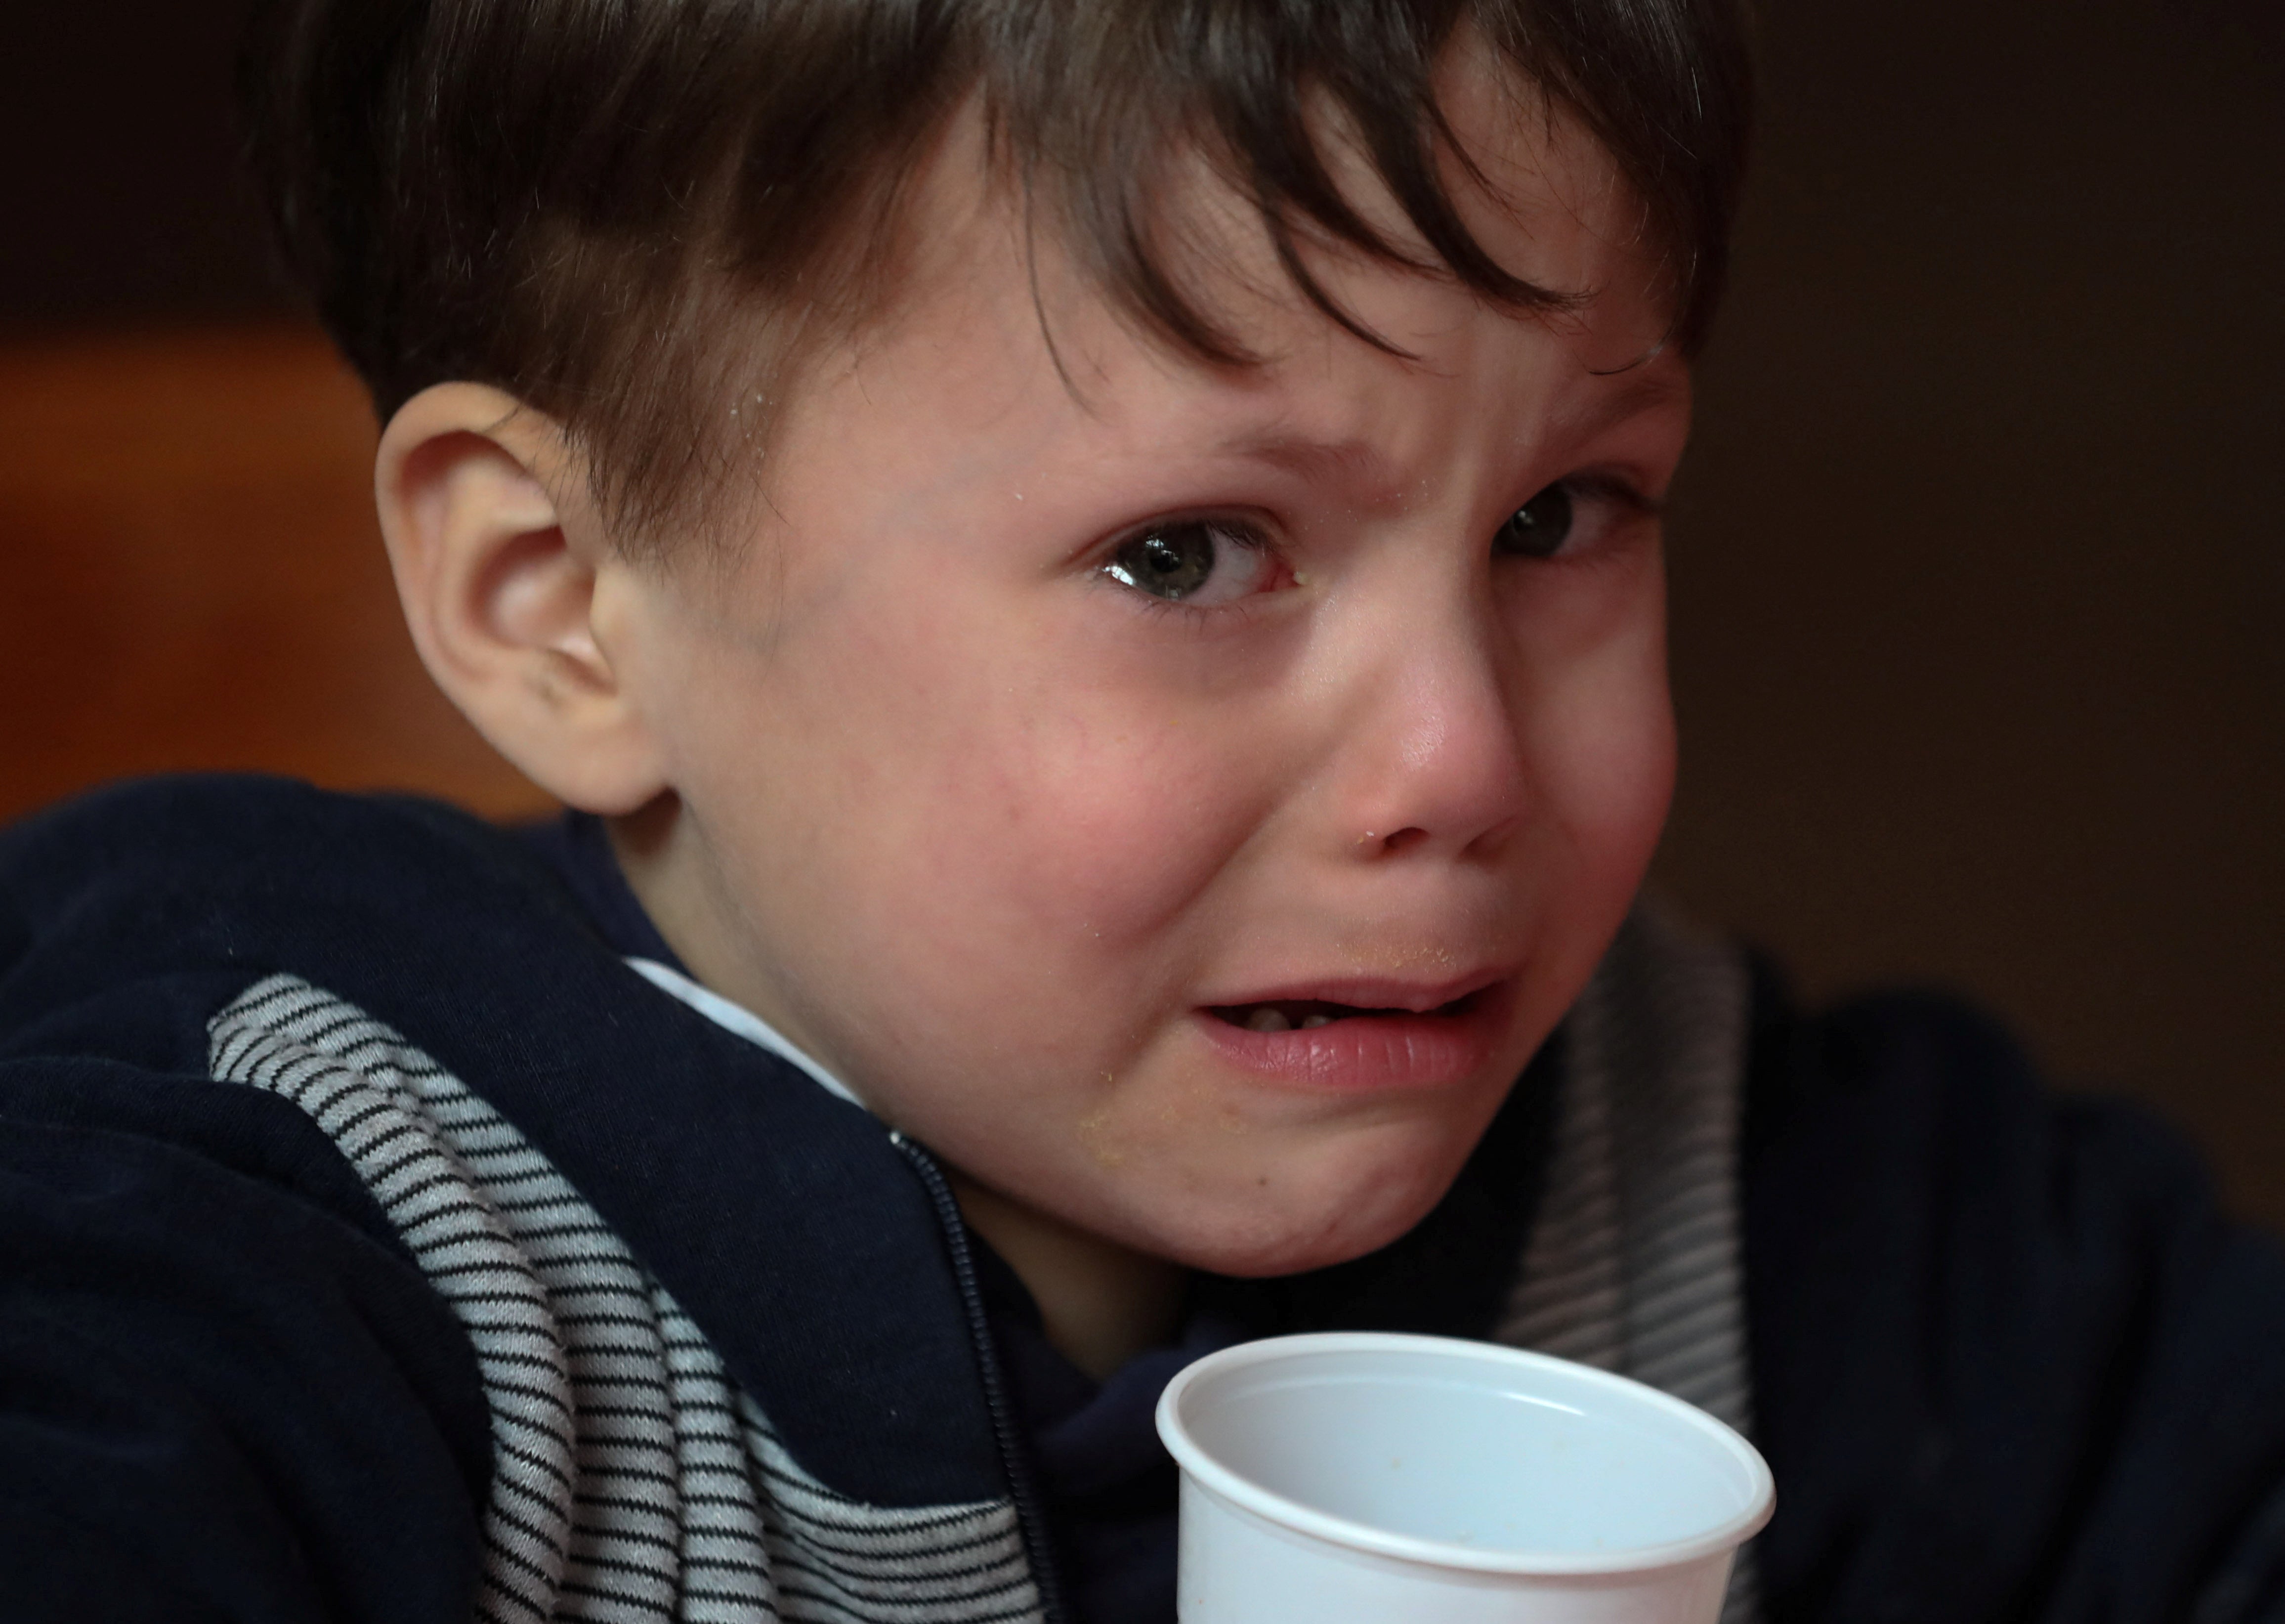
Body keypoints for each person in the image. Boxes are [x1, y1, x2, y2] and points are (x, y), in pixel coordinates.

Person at [1, 1, 2280, 1620]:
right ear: (567, 607)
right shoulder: (246, 1250)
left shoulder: (1795, 1209)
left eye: (1563, 513)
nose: (1461, 766)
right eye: (1183, 555)